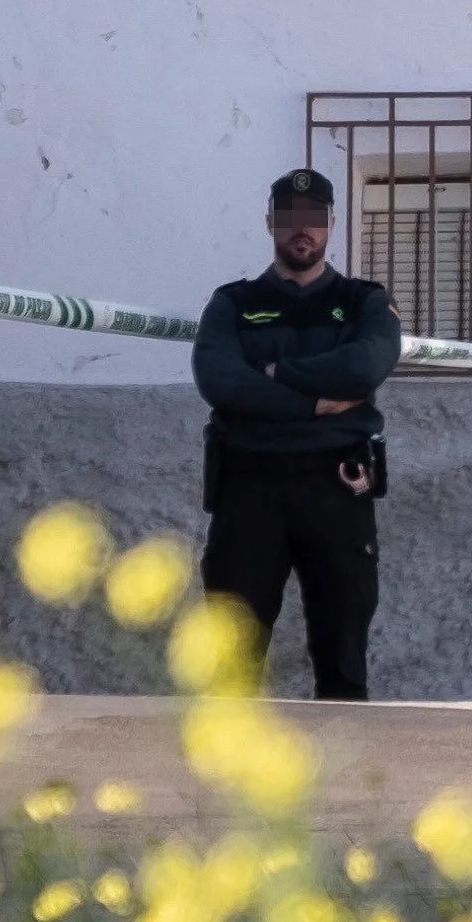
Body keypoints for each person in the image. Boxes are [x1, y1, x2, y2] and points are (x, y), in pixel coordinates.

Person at [190, 167, 403, 699]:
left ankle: (345, 779)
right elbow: (220, 382)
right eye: (288, 218)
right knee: (232, 658)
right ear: (270, 223)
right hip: (249, 489)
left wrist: (275, 373)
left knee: (342, 655)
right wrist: (314, 401)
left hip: (335, 487)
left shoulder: (363, 301)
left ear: (331, 223)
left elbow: (363, 369)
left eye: (312, 218)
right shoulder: (232, 303)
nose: (300, 229)